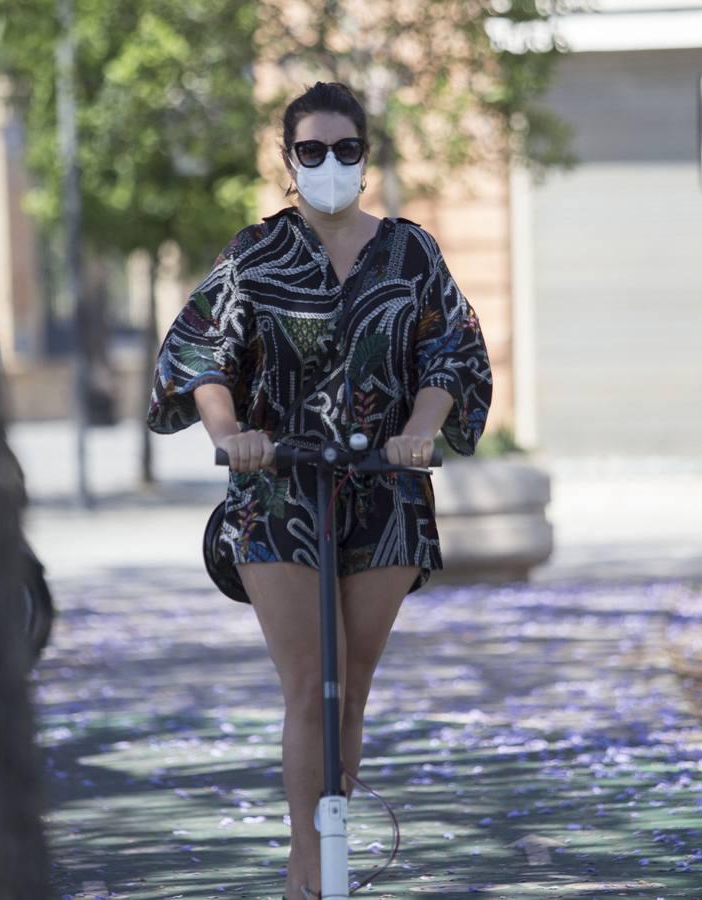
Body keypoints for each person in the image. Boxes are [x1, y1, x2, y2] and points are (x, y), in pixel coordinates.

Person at [147, 82, 492, 899]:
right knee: (312, 680)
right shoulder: (254, 254)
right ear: (287, 160)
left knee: (354, 684)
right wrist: (233, 437)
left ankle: (327, 849)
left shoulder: (411, 252)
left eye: (346, 150)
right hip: (278, 493)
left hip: (385, 486)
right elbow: (200, 356)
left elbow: (453, 351)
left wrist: (422, 424)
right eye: (312, 151)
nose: (330, 164)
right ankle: (310, 867)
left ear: (366, 158)